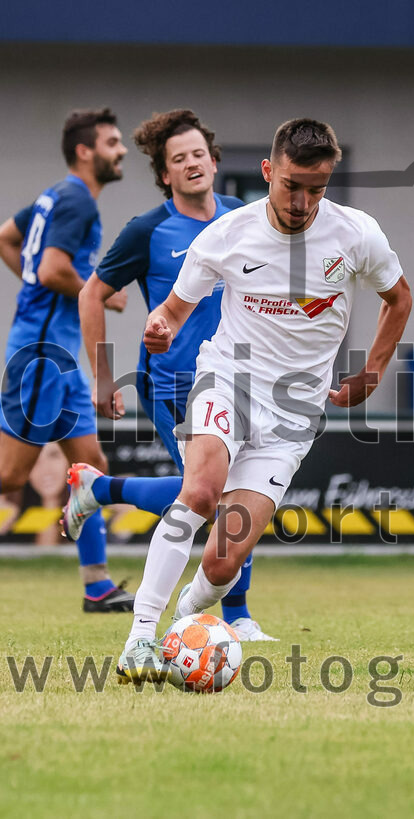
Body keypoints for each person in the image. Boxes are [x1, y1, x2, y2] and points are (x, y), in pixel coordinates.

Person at [116, 117, 412, 683]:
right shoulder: (226, 235)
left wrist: (372, 372)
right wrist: (159, 328)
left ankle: (182, 624)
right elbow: (172, 311)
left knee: (222, 562)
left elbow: (398, 298)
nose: (302, 202)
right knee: (200, 491)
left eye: (316, 189)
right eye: (292, 186)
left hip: (294, 415)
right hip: (228, 380)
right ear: (268, 171)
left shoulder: (356, 234)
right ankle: (141, 636)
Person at [63, 109, 275, 641]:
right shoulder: (147, 230)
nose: (191, 163)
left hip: (240, 377)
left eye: (198, 153)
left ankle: (98, 488)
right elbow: (91, 293)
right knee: (213, 493)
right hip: (174, 384)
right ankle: (237, 616)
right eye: (178, 159)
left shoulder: (242, 218)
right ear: (164, 173)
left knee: (220, 493)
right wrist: (103, 378)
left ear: (214, 160)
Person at [0, 108, 133, 612]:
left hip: (60, 359)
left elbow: (6, 238)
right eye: (112, 142)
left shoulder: (55, 195)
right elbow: (55, 269)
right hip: (40, 356)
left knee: (90, 467)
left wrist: (38, 287)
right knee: (10, 478)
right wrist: (100, 294)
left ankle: (97, 587)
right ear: (85, 151)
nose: (121, 150)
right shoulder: (76, 199)